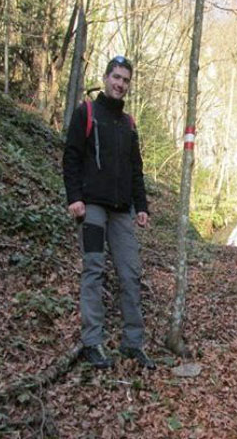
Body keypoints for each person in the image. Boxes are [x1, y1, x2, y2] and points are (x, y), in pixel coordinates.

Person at [63, 55, 155, 370]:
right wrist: (74, 197)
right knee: (93, 269)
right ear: (105, 78)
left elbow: (136, 169)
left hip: (122, 211)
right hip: (91, 207)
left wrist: (142, 206)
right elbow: (71, 156)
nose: (120, 84)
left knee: (130, 273)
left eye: (125, 80)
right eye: (116, 77)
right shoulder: (86, 113)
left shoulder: (129, 124)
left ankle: (132, 343)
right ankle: (92, 341)